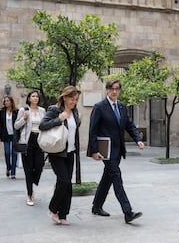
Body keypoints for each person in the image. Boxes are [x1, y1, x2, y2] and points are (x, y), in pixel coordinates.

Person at [88, 79, 145, 224]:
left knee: (107, 178)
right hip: (106, 150)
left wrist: (138, 139)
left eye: (117, 89)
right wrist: (94, 150)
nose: (114, 91)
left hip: (118, 150)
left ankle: (96, 206)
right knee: (117, 177)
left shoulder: (122, 106)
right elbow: (92, 130)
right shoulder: (99, 107)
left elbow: (129, 125)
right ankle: (127, 212)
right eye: (112, 88)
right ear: (107, 90)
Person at [39, 86, 81, 225]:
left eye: (75, 100)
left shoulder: (75, 112)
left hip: (70, 151)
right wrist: (59, 119)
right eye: (71, 98)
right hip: (57, 152)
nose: (73, 102)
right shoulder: (54, 109)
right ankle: (53, 209)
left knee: (68, 185)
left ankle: (63, 215)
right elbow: (42, 125)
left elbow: (74, 129)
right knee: (64, 181)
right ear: (64, 97)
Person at [14, 90, 46, 206]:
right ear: (29, 98)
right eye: (33, 96)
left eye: (37, 96)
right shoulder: (24, 110)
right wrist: (24, 118)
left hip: (39, 140)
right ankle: (29, 194)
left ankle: (33, 180)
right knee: (28, 169)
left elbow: (45, 125)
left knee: (39, 165)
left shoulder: (42, 110)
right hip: (28, 141)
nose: (35, 98)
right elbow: (16, 126)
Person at [0, 96, 18, 179]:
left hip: (15, 135)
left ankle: (13, 172)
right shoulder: (2, 111)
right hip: (6, 135)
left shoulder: (16, 111)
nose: (6, 102)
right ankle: (8, 167)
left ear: (11, 102)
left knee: (14, 153)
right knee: (7, 152)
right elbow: (1, 125)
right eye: (5, 101)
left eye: (7, 101)